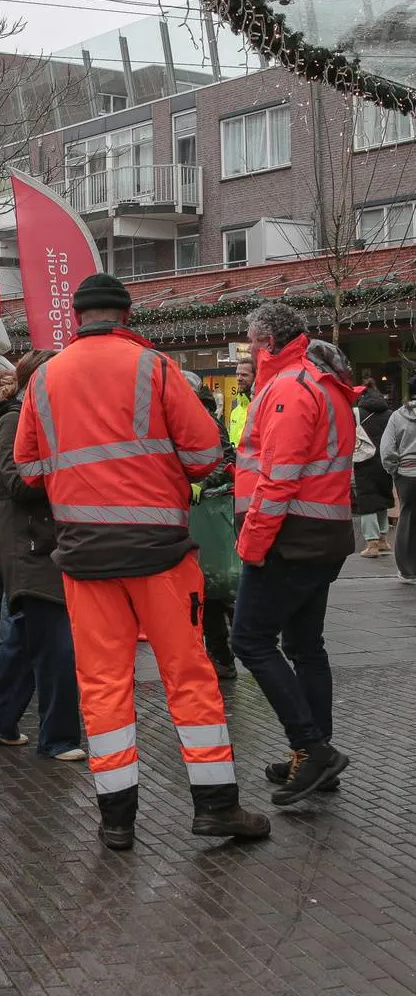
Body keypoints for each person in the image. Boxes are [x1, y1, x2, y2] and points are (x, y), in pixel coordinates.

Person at [14, 273, 269, 850]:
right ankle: (216, 808)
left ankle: (116, 820)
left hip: (83, 557)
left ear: (78, 319)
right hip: (159, 555)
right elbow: (206, 455)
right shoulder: (155, 369)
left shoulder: (44, 379)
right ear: (126, 316)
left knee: (103, 686)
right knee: (190, 677)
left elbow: (27, 470)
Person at [230, 305, 356, 805]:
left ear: (265, 342)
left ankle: (313, 749)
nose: (247, 348)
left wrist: (252, 544)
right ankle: (314, 754)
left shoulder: (287, 388)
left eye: (248, 341)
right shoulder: (317, 382)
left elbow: (278, 479)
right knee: (306, 647)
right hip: (320, 536)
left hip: (289, 539)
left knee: (250, 641)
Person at [0, 349, 84, 761]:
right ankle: (59, 738)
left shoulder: (48, 421)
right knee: (57, 648)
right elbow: (16, 485)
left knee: (23, 642)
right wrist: (70, 466)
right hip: (32, 549)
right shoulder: (14, 421)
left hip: (45, 545)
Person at [181, 371, 239, 682]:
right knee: (205, 589)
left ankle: (237, 648)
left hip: (208, 510)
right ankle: (220, 656)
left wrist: (202, 483)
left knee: (216, 586)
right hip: (191, 509)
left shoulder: (203, 418)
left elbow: (225, 459)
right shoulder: (183, 417)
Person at [379, 374, 416, 582]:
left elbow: (387, 450)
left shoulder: (398, 416)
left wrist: (394, 469)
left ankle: (407, 569)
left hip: (406, 473)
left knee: (407, 517)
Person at [353, 383, 395, 558]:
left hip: (364, 461)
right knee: (383, 499)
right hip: (385, 461)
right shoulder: (390, 414)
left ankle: (371, 543)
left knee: (367, 500)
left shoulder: (356, 412)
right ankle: (383, 539)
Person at [228, 358, 254, 445]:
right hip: (235, 458)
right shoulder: (235, 406)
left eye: (244, 375)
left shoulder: (261, 406)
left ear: (256, 376)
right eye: (237, 374)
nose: (239, 378)